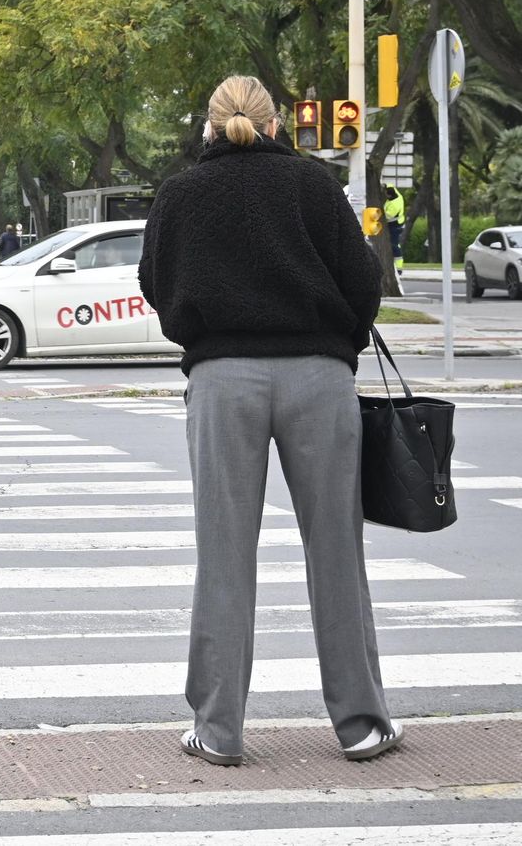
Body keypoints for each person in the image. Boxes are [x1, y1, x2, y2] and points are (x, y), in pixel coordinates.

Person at [139, 75, 400, 768]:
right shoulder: (314, 187)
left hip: (223, 379)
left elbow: (154, 284)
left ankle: (219, 729)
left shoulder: (180, 194)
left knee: (224, 555)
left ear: (209, 125)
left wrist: (203, 334)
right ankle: (362, 723)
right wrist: (337, 341)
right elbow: (362, 279)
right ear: (277, 124)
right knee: (336, 551)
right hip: (319, 376)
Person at [383, 184, 406, 276]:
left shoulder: (395, 205)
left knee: (394, 245)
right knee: (393, 244)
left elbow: (387, 216)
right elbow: (390, 185)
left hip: (395, 226)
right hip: (396, 225)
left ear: (390, 195)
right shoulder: (396, 194)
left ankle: (399, 268)